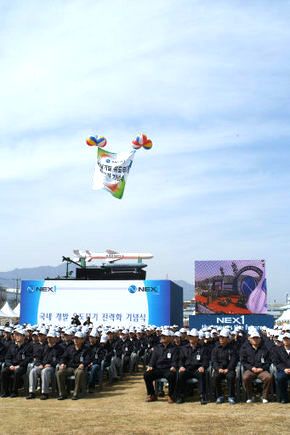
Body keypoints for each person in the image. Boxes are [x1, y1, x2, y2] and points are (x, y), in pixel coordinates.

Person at [175, 328, 209, 405]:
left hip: (197, 369)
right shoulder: (184, 348)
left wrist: (203, 366)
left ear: (197, 338)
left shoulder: (202, 349)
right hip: (187, 369)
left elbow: (206, 360)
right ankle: (180, 396)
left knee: (202, 374)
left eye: (193, 337)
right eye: (190, 336)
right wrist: (181, 366)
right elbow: (180, 359)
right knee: (181, 374)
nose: (191, 338)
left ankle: (202, 396)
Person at [143, 330, 178, 403]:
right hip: (158, 369)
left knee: (171, 375)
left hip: (168, 369)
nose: (163, 338)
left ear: (169, 337)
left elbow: (175, 360)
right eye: (162, 336)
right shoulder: (157, 348)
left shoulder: (174, 348)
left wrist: (174, 366)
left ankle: (170, 395)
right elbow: (153, 359)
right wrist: (150, 366)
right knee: (147, 375)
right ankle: (152, 394)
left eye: (165, 336)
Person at [56, 331, 92, 400]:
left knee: (79, 373)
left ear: (82, 340)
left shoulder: (86, 349)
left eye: (78, 338)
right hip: (70, 367)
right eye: (75, 338)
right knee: (59, 373)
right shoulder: (70, 348)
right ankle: (63, 393)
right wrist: (62, 363)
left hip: (79, 368)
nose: (76, 340)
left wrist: (83, 364)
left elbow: (88, 360)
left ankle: (76, 393)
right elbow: (63, 357)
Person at [240, 330, 272, 403]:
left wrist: (262, 368)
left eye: (257, 338)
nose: (255, 340)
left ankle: (264, 397)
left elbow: (268, 362)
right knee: (245, 377)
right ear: (250, 339)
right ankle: (250, 397)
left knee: (268, 377)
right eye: (253, 338)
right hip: (251, 370)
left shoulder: (265, 349)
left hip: (262, 370)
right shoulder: (246, 349)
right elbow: (243, 362)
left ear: (260, 339)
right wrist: (251, 368)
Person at [1, 328, 32, 397]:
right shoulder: (12, 346)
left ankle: (14, 391)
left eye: (19, 335)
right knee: (4, 371)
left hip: (22, 367)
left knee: (17, 372)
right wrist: (10, 365)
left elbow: (28, 358)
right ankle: (5, 392)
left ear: (23, 336)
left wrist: (19, 365)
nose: (17, 336)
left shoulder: (28, 346)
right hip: (12, 366)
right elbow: (7, 358)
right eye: (16, 335)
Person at [211, 328, 237, 404]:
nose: (221, 339)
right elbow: (214, 360)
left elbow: (233, 360)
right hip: (219, 369)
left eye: (223, 337)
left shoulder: (232, 348)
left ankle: (231, 396)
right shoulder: (215, 349)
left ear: (227, 339)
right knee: (215, 377)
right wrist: (218, 368)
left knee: (231, 377)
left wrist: (228, 369)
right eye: (220, 337)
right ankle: (219, 396)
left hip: (229, 369)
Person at [273, 332, 290, 403]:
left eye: (288, 339)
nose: (286, 341)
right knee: (280, 378)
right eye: (284, 339)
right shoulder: (278, 350)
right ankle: (284, 398)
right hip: (283, 370)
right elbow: (277, 362)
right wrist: (284, 369)